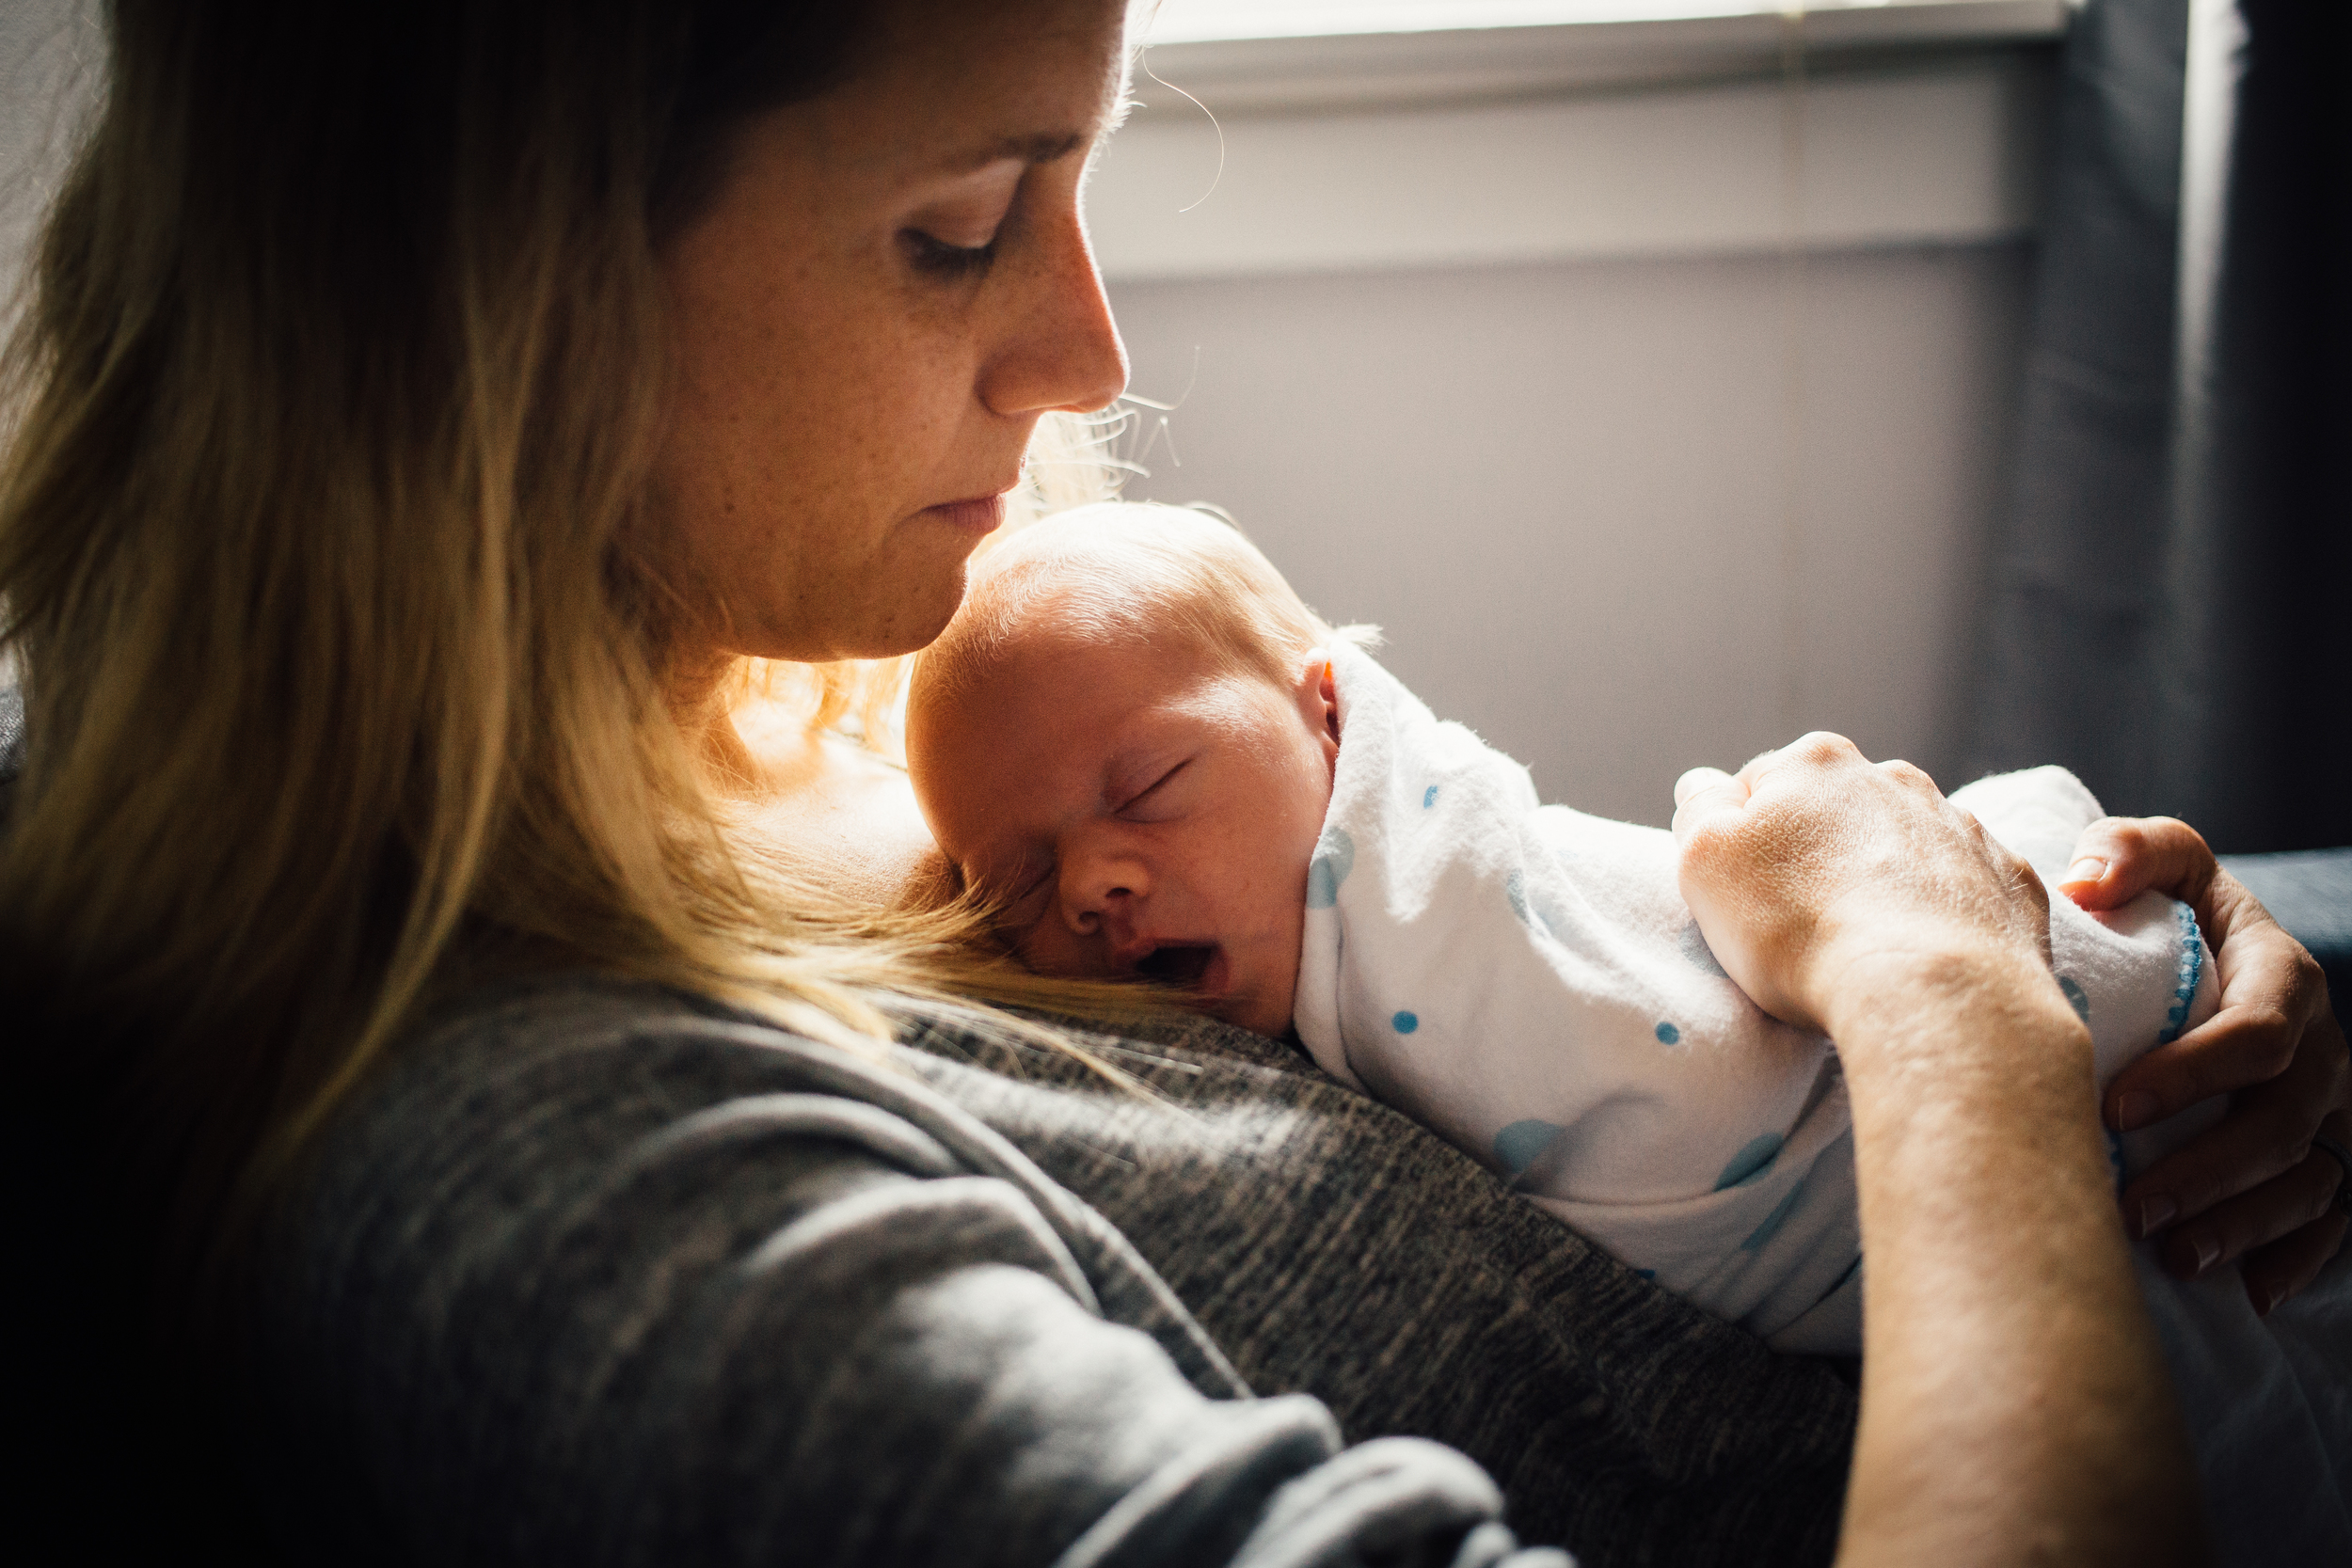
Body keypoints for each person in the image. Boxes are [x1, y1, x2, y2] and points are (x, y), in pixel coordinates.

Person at [2, 2, 2345, 1564]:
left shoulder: (828, 673)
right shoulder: (576, 1193)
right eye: (952, 229)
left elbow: (1540, 949)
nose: (1087, 351)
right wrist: (1960, 1020)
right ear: (492, 283)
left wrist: (2113, 976)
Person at [904, 502, 2351, 1556]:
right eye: (1011, 885)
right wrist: (1954, 983)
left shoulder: (1422, 893)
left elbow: (1649, 933)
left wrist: (2177, 926)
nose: (1090, 886)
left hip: (2086, 1080)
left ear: (1331, 719)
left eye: (1151, 783)